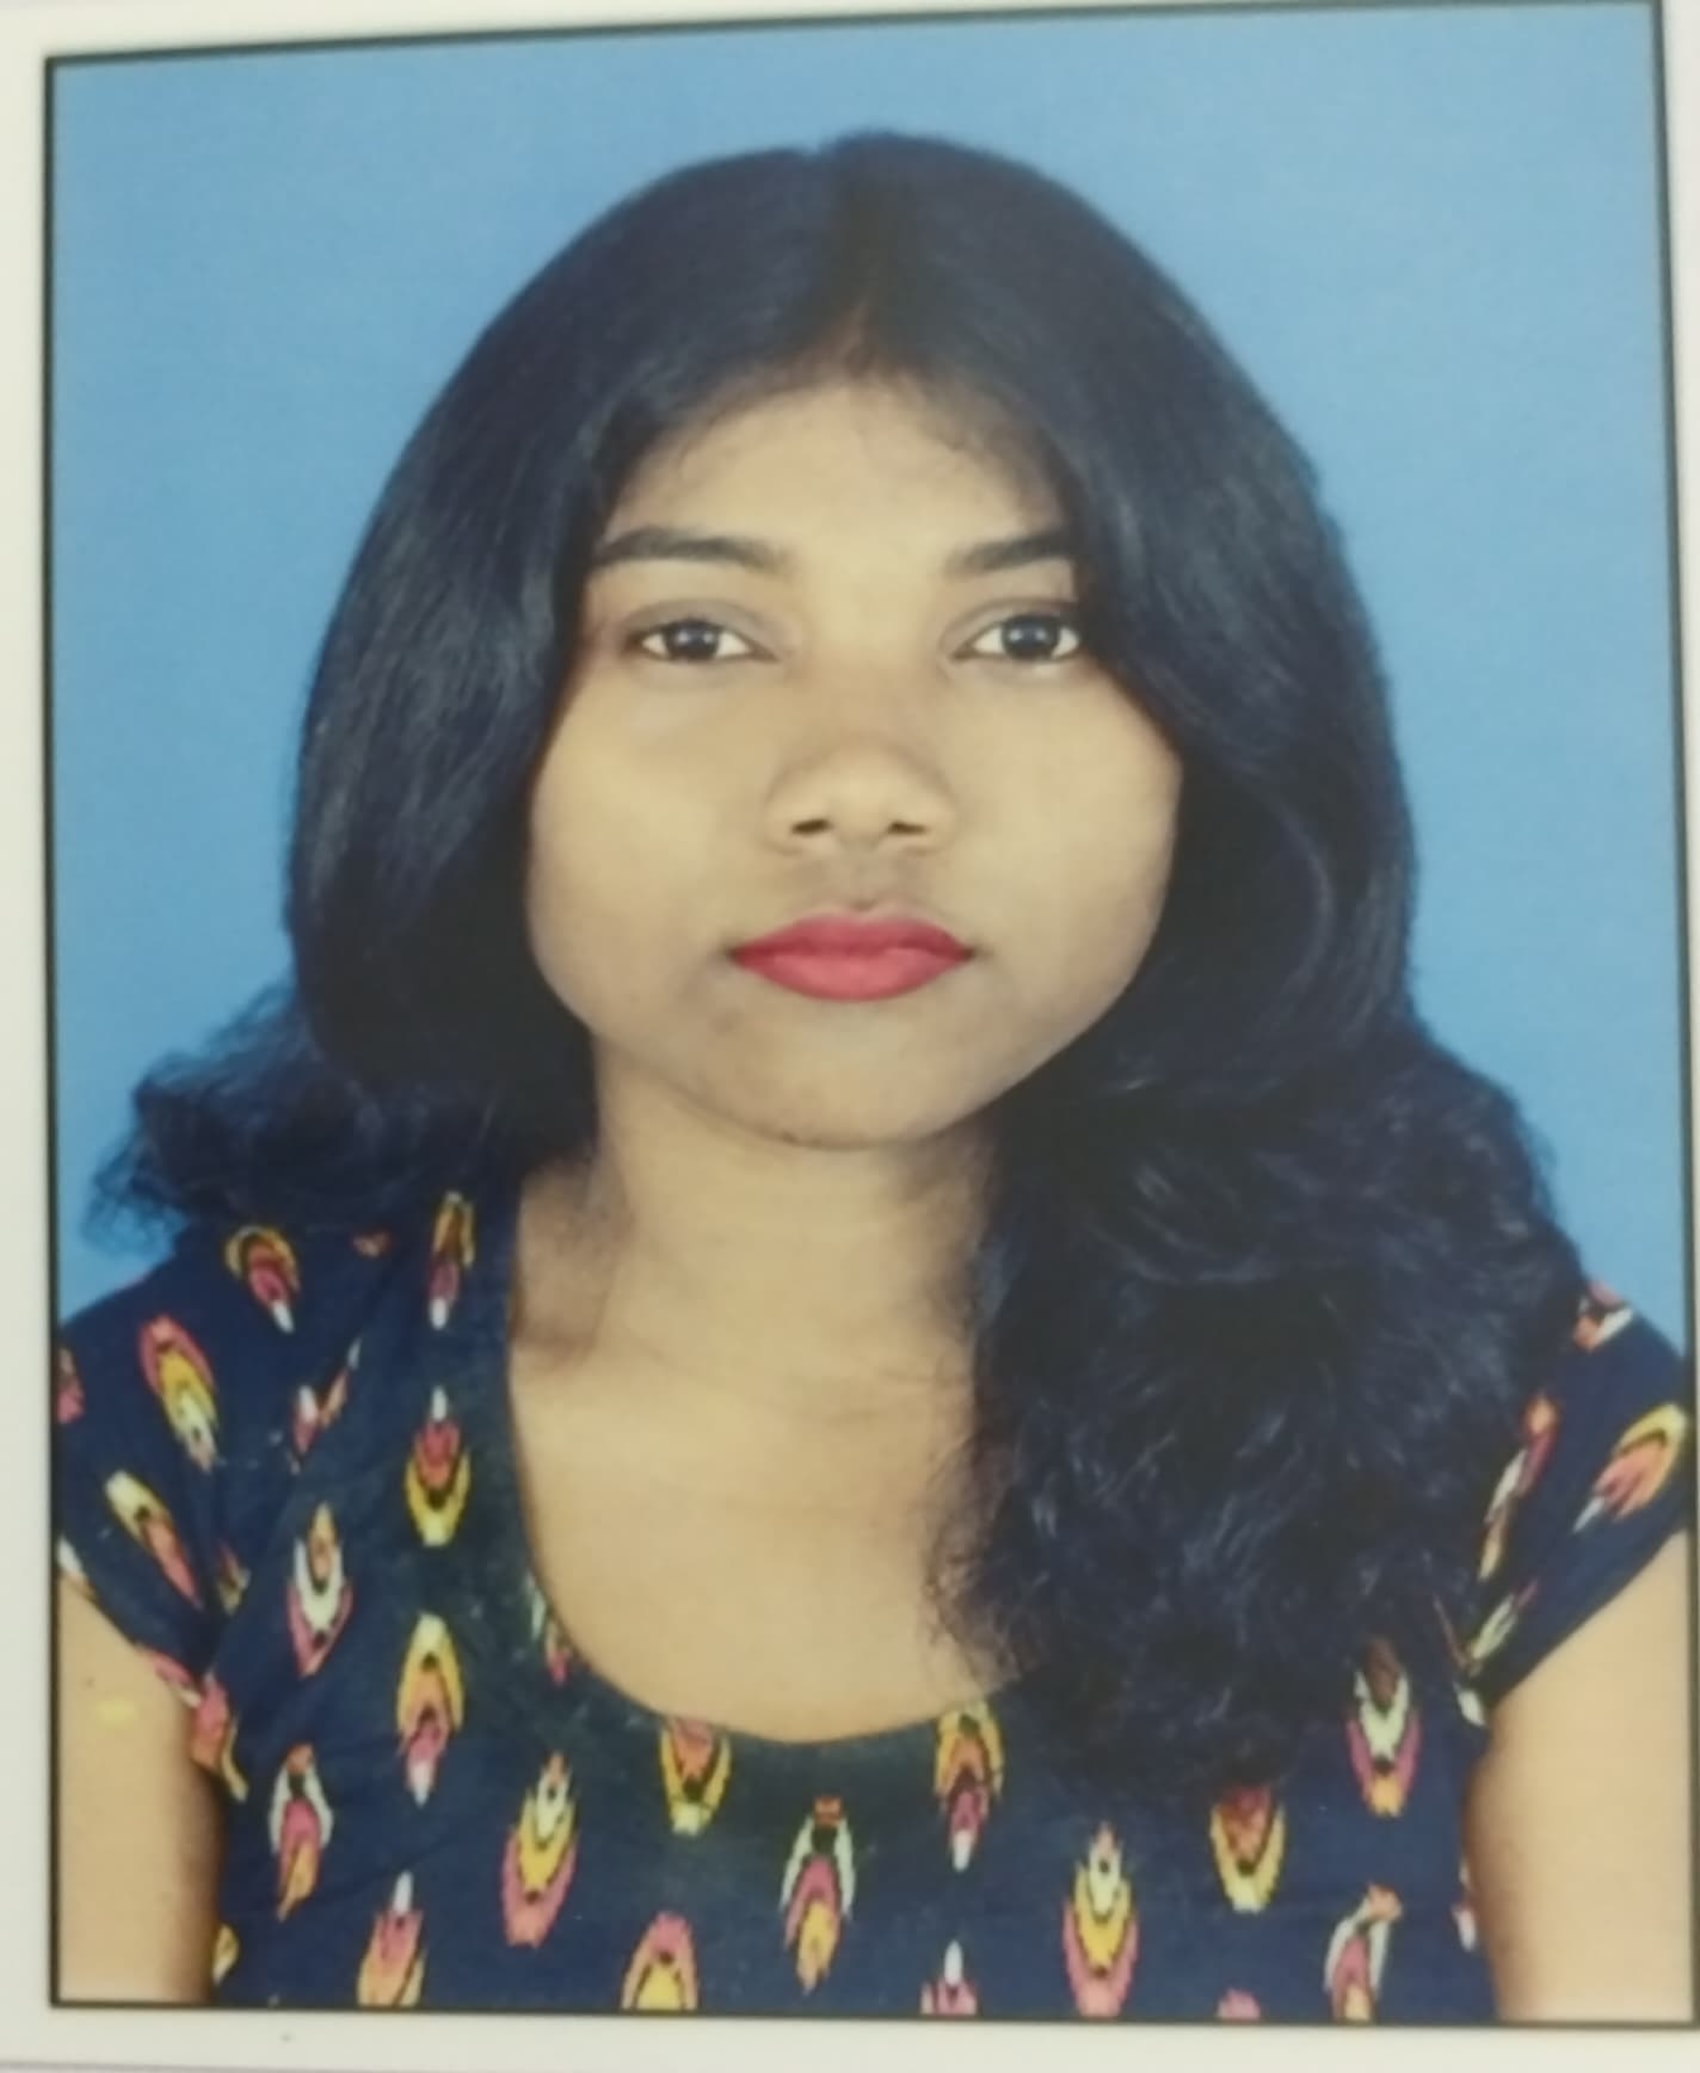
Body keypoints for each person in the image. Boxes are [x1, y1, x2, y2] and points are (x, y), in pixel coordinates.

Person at [54, 130, 1693, 2022]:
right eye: (695, 634)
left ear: (1219, 711)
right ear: (474, 711)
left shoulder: (1524, 1452)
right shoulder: (179, 1449)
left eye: (1026, 633)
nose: (860, 783)